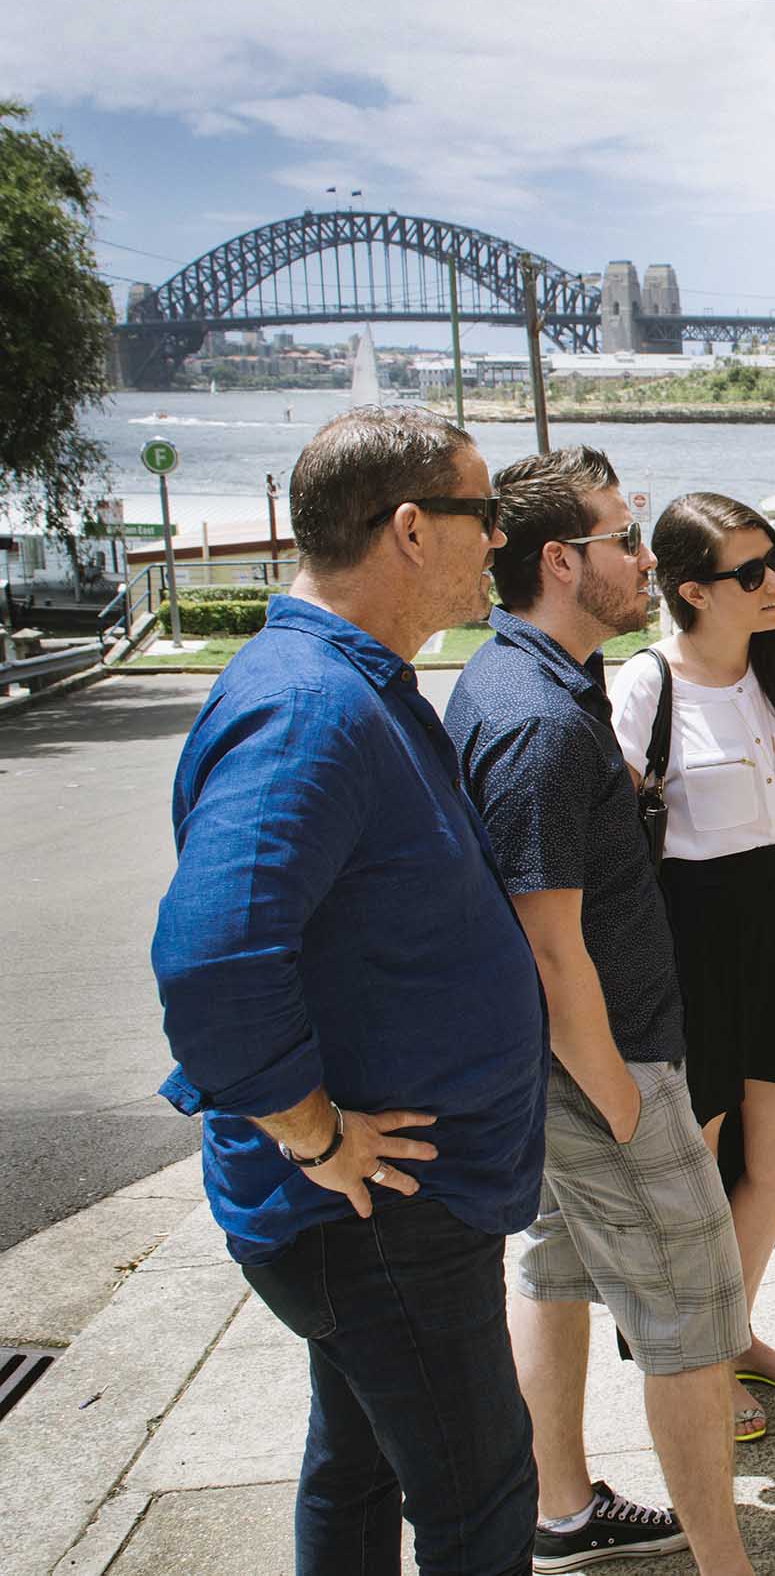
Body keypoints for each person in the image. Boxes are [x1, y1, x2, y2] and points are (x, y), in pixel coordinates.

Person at [151, 405, 546, 1575]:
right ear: (414, 528)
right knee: (481, 1497)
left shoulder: (346, 683)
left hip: (392, 1207)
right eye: (488, 517)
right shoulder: (310, 705)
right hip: (375, 1209)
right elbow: (214, 960)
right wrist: (316, 1135)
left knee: (359, 1457)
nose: (501, 546)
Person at [445, 449, 754, 1575]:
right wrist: (624, 1100)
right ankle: (728, 1565)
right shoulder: (535, 717)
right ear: (561, 561)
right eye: (625, 538)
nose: (645, 558)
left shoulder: (538, 677)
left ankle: (560, 1509)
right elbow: (546, 942)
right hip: (601, 1068)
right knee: (693, 1317)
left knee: (557, 1271)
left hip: (567, 1071)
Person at [608, 491, 775, 1438]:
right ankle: (697, 1364)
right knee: (697, 1170)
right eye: (751, 573)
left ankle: (732, 1328)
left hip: (771, 931)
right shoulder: (646, 686)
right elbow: (614, 847)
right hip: (684, 940)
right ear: (692, 591)